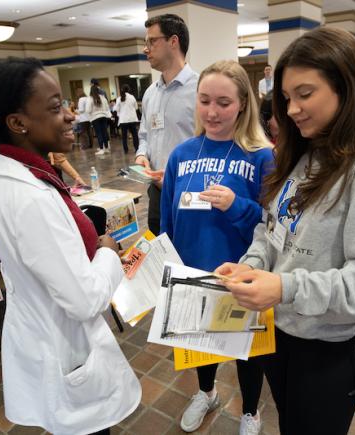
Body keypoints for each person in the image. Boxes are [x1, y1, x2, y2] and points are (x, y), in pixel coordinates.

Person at [215, 27, 355, 434]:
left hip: (329, 348)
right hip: (281, 332)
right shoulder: (306, 151)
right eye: (287, 98)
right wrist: (251, 265)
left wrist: (283, 287)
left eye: (305, 94)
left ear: (346, 86)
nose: (292, 109)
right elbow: (272, 227)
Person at [0, 58, 141, 435]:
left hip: (50, 331)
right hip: (64, 345)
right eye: (56, 108)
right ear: (18, 123)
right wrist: (106, 249)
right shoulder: (29, 197)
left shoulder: (18, 177)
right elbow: (85, 298)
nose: (72, 115)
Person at [161, 60, 274, 435]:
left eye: (223, 102)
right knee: (201, 346)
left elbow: (276, 224)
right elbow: (168, 220)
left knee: (247, 353)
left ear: (243, 103)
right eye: (204, 100)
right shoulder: (181, 154)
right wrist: (168, 267)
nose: (212, 111)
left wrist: (235, 205)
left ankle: (251, 411)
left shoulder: (261, 155)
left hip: (243, 273)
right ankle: (206, 393)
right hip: (193, 270)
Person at [135, 13, 199, 235]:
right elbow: (144, 134)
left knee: (188, 250)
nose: (146, 49)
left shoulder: (201, 90)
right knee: (159, 245)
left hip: (190, 191)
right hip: (157, 191)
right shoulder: (151, 93)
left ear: (173, 42)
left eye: (152, 41)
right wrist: (141, 155)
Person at [87, 83, 112, 156]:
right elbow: (107, 108)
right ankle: (106, 148)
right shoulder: (103, 97)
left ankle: (101, 149)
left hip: (95, 118)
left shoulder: (90, 98)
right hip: (104, 116)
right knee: (104, 132)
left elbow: (88, 110)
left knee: (99, 133)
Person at [115, 84, 140, 153]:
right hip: (132, 119)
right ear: (129, 90)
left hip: (123, 120)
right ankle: (137, 148)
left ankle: (126, 150)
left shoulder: (119, 98)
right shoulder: (132, 97)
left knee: (124, 136)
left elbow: (116, 109)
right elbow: (136, 108)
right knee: (135, 135)